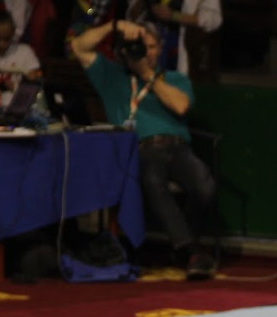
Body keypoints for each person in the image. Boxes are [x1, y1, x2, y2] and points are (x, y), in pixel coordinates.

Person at [70, 19, 218, 280]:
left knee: (204, 185)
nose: (146, 53)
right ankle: (189, 251)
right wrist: (115, 26)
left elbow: (181, 106)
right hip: (140, 149)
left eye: (151, 47)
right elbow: (78, 47)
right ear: (124, 51)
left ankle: (183, 245)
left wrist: (148, 74)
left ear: (160, 49)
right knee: (152, 177)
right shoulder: (112, 77)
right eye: (139, 47)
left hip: (178, 147)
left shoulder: (175, 78)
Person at [126, 0, 223, 77]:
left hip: (182, 50)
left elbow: (213, 19)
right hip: (146, 47)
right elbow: (131, 16)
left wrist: (174, 16)